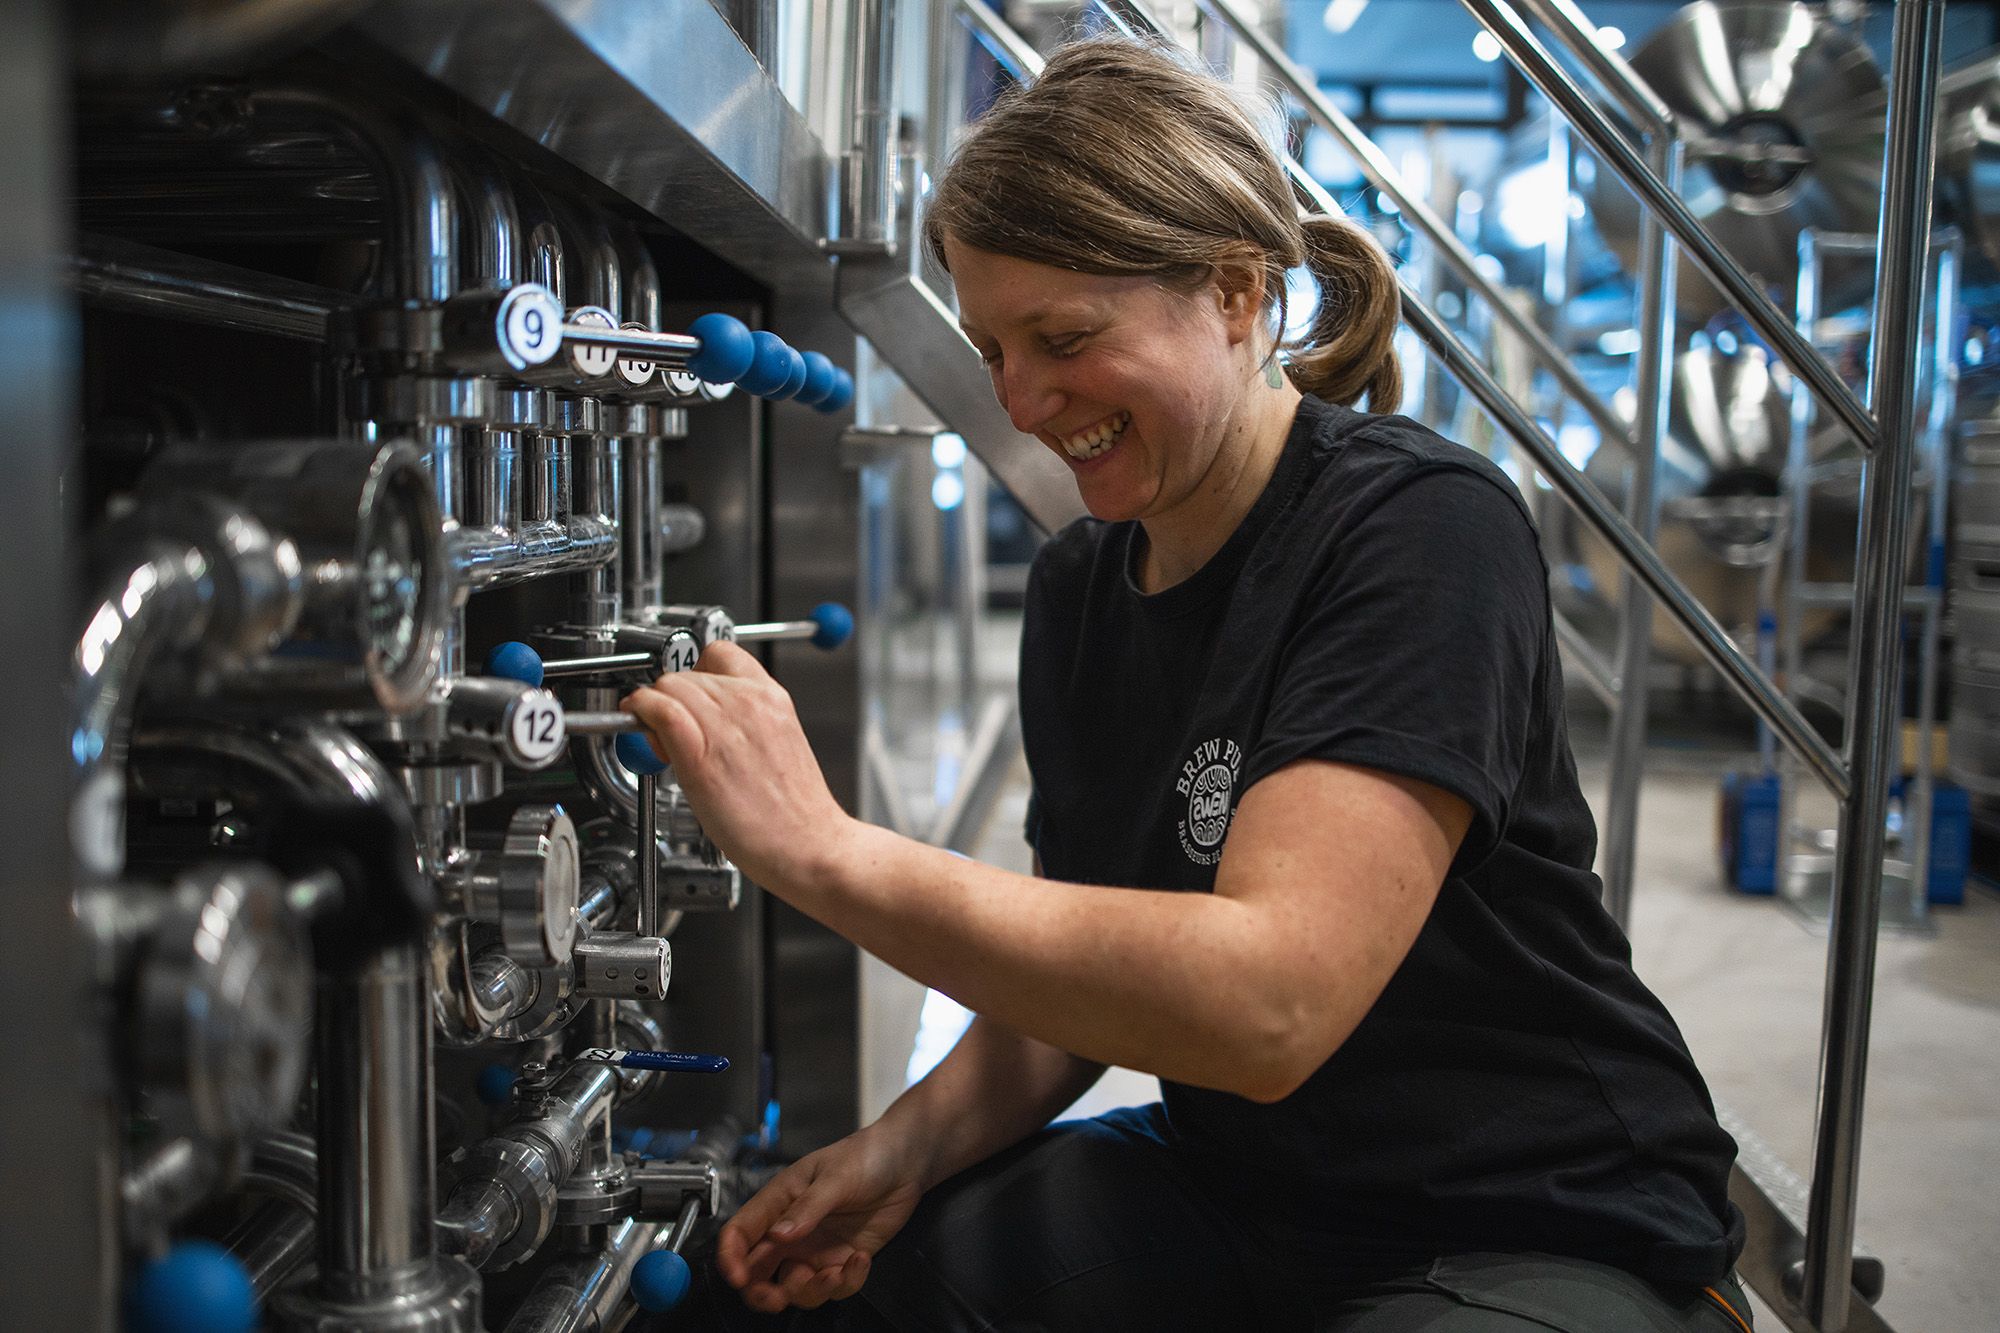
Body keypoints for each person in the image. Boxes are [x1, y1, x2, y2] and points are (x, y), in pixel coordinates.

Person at [625, 36, 1753, 1333]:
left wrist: (825, 853)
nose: (1025, 399)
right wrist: (906, 1148)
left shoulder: (1419, 530)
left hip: (1536, 1224)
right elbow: (1069, 1000)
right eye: (993, 346)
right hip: (1240, 1196)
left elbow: (1270, 1000)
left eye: (1063, 336)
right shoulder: (1080, 590)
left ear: (1231, 292)